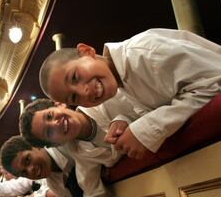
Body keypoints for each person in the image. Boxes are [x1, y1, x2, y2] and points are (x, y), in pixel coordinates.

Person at [39, 28, 221, 159]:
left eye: (75, 77)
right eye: (73, 98)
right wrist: (127, 124)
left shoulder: (143, 53)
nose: (83, 91)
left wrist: (146, 129)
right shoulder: (122, 82)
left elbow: (215, 79)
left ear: (86, 51)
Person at [0, 136, 138, 197]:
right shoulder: (52, 181)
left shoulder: (67, 144)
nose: (31, 170)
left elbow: (90, 186)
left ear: (36, 146)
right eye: (24, 173)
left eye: (27, 160)